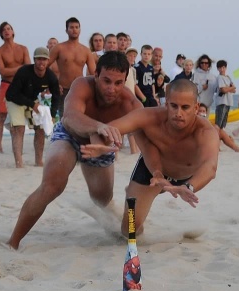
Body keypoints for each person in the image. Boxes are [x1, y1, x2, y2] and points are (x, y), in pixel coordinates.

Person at [4, 51, 142, 250]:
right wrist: (98, 127)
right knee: (52, 185)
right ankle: (13, 242)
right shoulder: (82, 85)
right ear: (96, 75)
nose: (111, 89)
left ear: (125, 81)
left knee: (102, 199)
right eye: (106, 81)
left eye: (118, 83)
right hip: (69, 136)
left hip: (101, 147)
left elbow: (151, 133)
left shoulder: (130, 103)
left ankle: (112, 218)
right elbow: (70, 116)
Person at [84, 79, 218, 237]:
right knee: (129, 230)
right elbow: (107, 130)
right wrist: (100, 144)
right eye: (174, 106)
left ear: (196, 108)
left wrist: (188, 187)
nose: (178, 113)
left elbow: (210, 166)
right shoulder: (149, 117)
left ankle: (133, 195)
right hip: (151, 172)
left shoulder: (205, 131)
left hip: (185, 181)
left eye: (185, 107)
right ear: (166, 103)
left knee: (131, 224)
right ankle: (132, 198)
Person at [5, 47, 61, 168]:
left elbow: (56, 96)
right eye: (39, 59)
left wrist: (52, 115)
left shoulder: (51, 77)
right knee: (19, 128)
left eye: (44, 59)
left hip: (32, 100)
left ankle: (38, 161)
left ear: (48, 61)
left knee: (40, 128)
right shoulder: (24, 71)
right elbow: (10, 94)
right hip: (15, 100)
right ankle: (19, 163)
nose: (41, 62)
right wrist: (33, 104)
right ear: (34, 60)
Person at [0, 22, 31, 153]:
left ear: (13, 31)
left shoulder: (23, 49)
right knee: (2, 116)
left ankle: (18, 145)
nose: (7, 31)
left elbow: (28, 68)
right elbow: (3, 72)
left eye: (9, 28)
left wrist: (14, 70)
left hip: (20, 86)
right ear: (1, 34)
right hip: (6, 84)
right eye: (3, 30)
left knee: (19, 117)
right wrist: (20, 68)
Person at [49, 17, 96, 105]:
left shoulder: (86, 50)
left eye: (76, 27)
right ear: (66, 30)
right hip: (62, 90)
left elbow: (94, 73)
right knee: (62, 113)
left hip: (80, 89)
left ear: (80, 30)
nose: (74, 30)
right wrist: (53, 84)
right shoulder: (59, 48)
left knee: (79, 113)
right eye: (71, 27)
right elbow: (44, 66)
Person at [214, 60, 236, 132]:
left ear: (226, 68)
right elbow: (223, 90)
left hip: (228, 102)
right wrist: (230, 88)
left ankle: (221, 135)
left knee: (224, 122)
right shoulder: (219, 77)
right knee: (219, 122)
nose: (222, 69)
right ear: (217, 69)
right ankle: (216, 135)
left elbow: (234, 90)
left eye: (223, 67)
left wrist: (228, 88)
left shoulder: (228, 77)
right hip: (221, 102)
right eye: (220, 68)